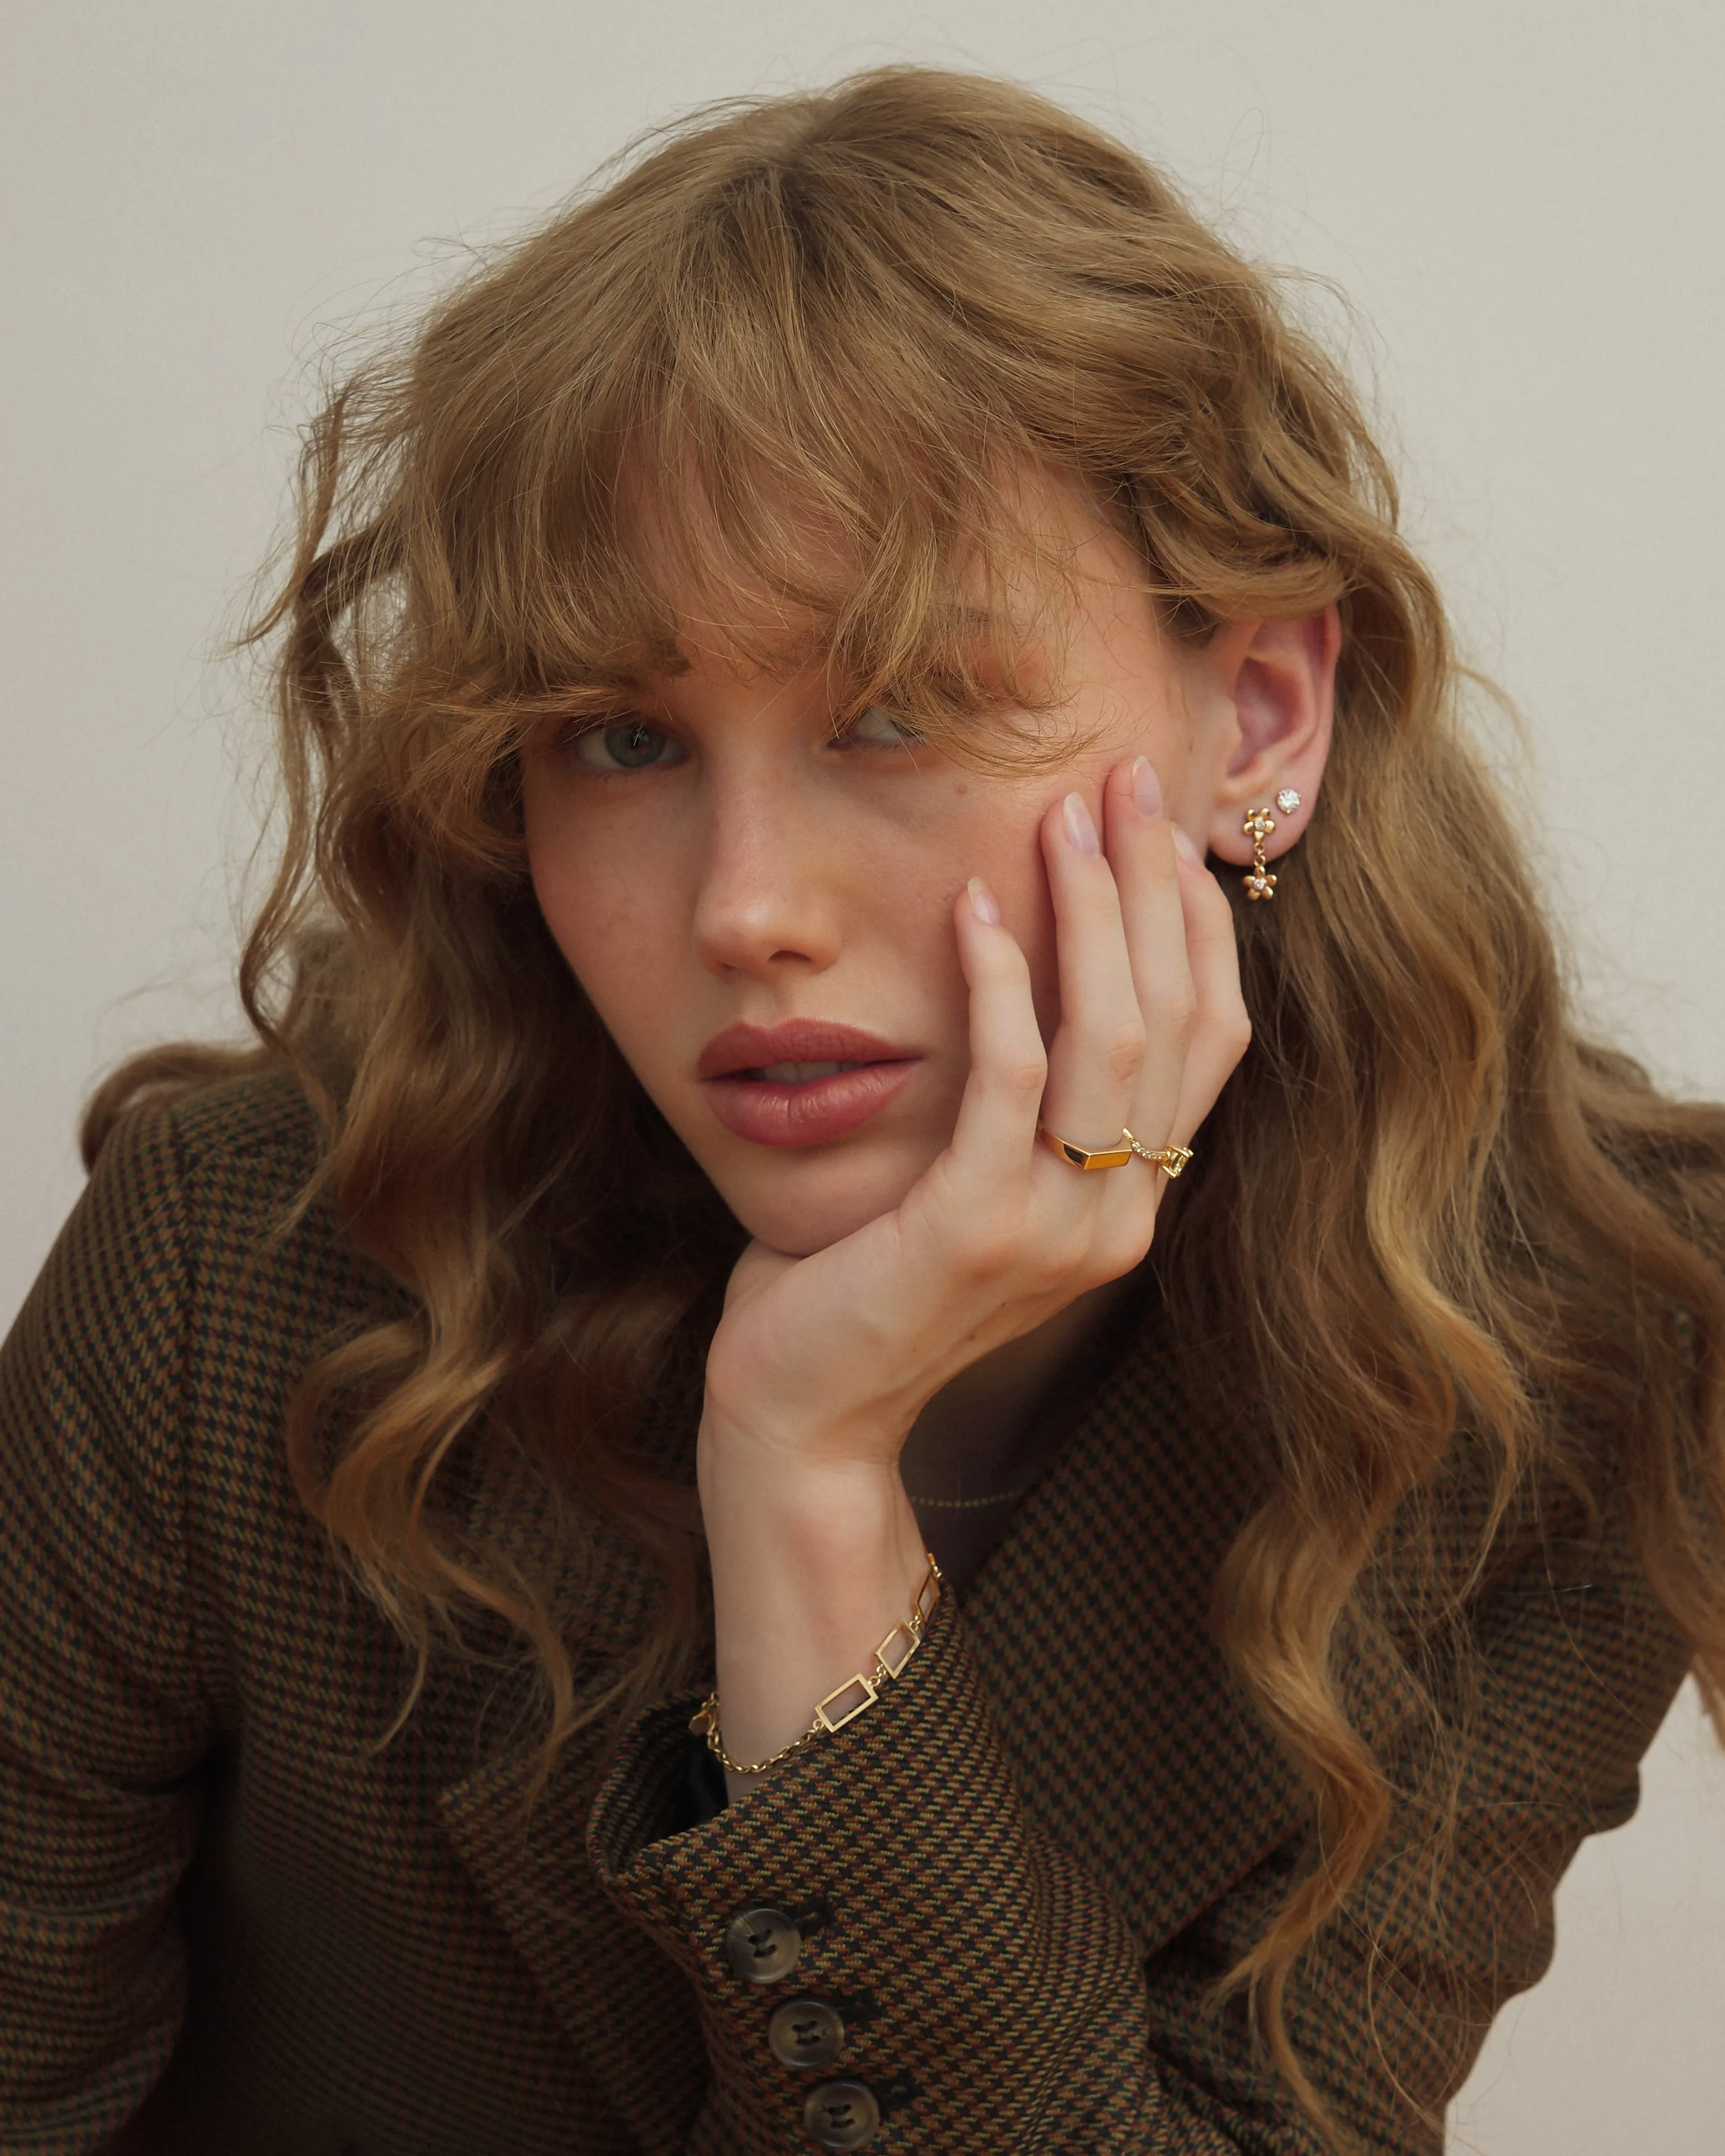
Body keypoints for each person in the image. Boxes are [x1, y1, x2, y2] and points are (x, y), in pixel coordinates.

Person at [2, 64, 1721, 2156]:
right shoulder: (234, 1268)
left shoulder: (1583, 1359)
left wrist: (810, 1480)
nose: (744, 910)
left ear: (1257, 715)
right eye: (618, 738)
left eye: (896, 710)